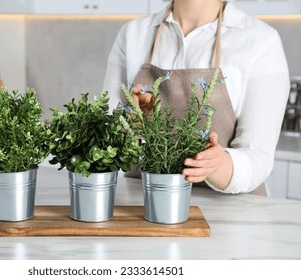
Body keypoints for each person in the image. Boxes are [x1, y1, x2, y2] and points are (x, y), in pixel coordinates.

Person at [103, 0, 290, 194]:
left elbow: (257, 157)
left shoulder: (260, 40)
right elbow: (105, 136)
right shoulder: (133, 34)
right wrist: (130, 126)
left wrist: (218, 164)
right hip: (144, 204)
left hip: (230, 214)